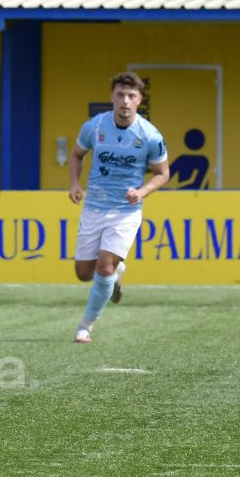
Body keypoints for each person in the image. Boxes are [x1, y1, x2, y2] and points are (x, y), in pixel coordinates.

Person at [68, 71, 170, 344]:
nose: (125, 101)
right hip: (93, 207)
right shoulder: (95, 127)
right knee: (83, 273)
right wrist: (75, 184)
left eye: (131, 96)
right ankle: (117, 273)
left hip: (125, 212)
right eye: (120, 95)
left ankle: (85, 326)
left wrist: (143, 191)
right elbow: (77, 155)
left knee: (102, 268)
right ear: (112, 97)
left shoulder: (150, 135)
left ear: (139, 99)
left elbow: (163, 173)